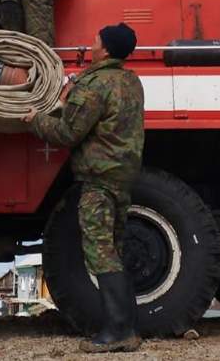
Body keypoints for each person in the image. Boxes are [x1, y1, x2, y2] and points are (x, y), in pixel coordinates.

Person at [22, 23, 144, 353]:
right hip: (122, 177)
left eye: (96, 40)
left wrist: (35, 119)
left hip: (98, 180)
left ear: (105, 49)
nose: (92, 44)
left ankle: (117, 331)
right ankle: (129, 328)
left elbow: (68, 133)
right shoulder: (131, 81)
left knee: (100, 252)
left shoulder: (94, 84)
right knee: (114, 250)